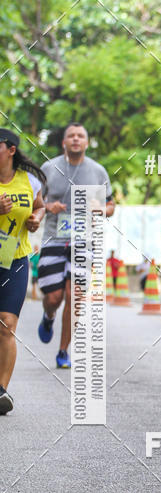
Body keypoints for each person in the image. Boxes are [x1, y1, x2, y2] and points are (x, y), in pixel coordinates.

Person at [37, 123, 114, 368]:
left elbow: (111, 206)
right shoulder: (49, 168)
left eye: (81, 136)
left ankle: (63, 350)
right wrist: (48, 207)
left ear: (87, 142)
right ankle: (49, 315)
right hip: (53, 239)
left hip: (84, 241)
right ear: (64, 142)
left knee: (75, 296)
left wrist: (100, 209)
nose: (76, 139)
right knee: (54, 297)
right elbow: (34, 202)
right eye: (71, 136)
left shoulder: (98, 171)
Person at [0, 129, 45, 414]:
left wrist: (35, 219)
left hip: (14, 260)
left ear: (11, 150)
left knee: (7, 324)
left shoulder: (29, 180)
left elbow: (39, 207)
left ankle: (1, 391)